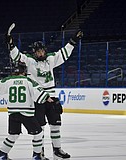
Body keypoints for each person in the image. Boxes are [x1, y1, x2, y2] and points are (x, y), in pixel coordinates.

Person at [7, 29, 83, 159]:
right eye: (38, 51)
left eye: (42, 51)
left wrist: (73, 41)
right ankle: (39, 153)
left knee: (55, 125)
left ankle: (57, 150)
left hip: (51, 98)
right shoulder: (30, 61)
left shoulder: (51, 59)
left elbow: (64, 53)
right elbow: (17, 56)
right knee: (39, 128)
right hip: (38, 99)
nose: (40, 53)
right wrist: (11, 45)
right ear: (34, 53)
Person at [0, 61, 54, 160]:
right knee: (38, 133)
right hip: (26, 113)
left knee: (13, 135)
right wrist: (50, 100)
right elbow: (39, 95)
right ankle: (36, 156)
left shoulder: (8, 80)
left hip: (13, 114)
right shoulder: (28, 81)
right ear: (24, 71)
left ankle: (2, 154)